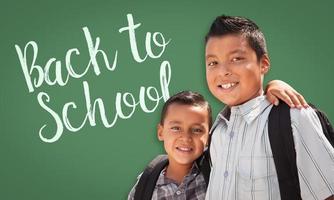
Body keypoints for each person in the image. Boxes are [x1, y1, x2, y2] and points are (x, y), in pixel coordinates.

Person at [204, 15, 334, 200]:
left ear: (263, 64)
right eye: (212, 63)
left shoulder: (294, 118)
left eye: (236, 58)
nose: (223, 71)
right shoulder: (217, 133)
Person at [128, 84, 308, 200]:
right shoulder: (146, 184)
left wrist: (272, 86)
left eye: (197, 130)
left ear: (209, 137)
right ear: (161, 132)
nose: (186, 137)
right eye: (176, 128)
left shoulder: (219, 172)